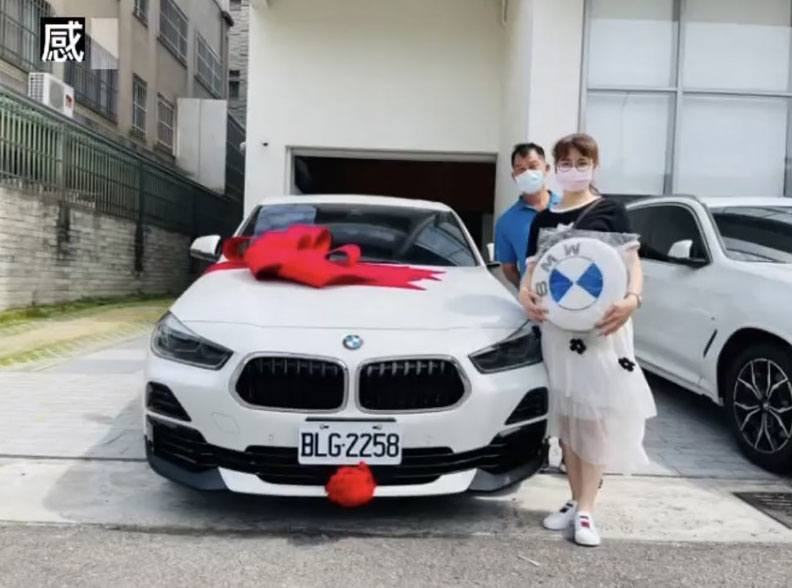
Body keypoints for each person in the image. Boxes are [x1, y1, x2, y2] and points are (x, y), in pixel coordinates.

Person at [518, 133, 656, 547]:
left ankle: (587, 511)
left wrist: (633, 300)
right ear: (555, 168)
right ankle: (576, 498)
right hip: (559, 330)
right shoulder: (543, 218)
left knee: (594, 417)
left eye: (582, 162)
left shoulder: (611, 210)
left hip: (601, 331)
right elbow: (533, 271)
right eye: (566, 162)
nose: (574, 169)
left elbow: (632, 263)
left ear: (594, 166)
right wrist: (525, 293)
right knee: (568, 416)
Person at [494, 143, 560, 288]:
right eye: (521, 169)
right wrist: (526, 290)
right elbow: (508, 269)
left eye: (533, 166)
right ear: (514, 176)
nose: (528, 173)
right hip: (535, 299)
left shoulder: (568, 208)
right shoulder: (506, 221)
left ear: (546, 169)